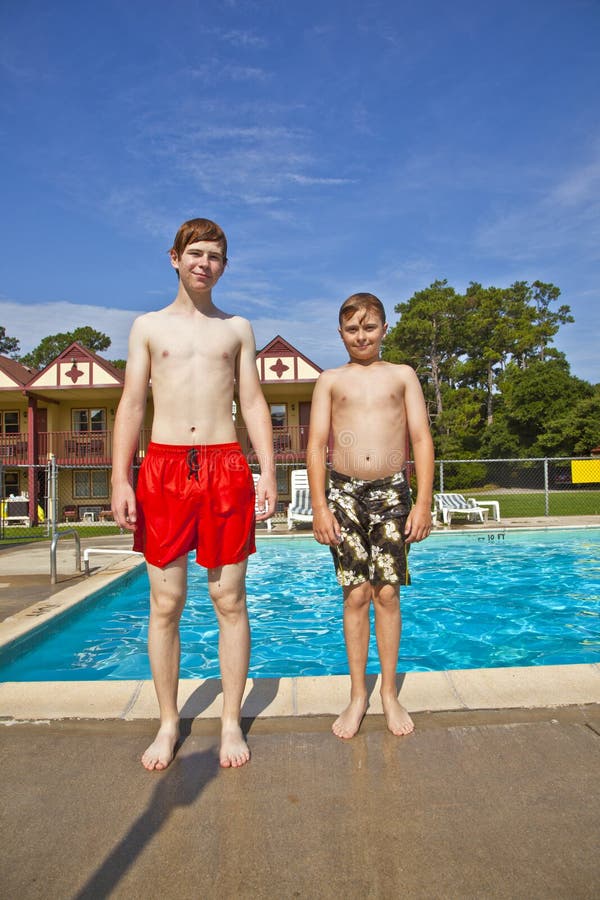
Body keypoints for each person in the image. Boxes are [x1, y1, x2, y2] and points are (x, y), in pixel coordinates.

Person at [111, 217, 277, 771]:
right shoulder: (148, 327)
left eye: (215, 256)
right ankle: (168, 722)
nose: (205, 263)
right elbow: (132, 403)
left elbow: (252, 402)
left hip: (225, 464)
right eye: (196, 253)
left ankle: (230, 721)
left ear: (224, 267)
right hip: (162, 467)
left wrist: (268, 472)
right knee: (166, 603)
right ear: (175, 258)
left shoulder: (236, 328)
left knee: (229, 599)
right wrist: (120, 477)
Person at [307, 292, 434, 740]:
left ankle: (389, 695)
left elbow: (420, 439)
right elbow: (316, 444)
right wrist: (320, 506)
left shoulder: (402, 376)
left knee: (387, 595)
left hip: (391, 494)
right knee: (355, 595)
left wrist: (422, 502)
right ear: (340, 333)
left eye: (369, 327)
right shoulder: (330, 380)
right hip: (343, 494)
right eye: (352, 328)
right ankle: (359, 693)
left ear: (384, 329)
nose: (361, 336)